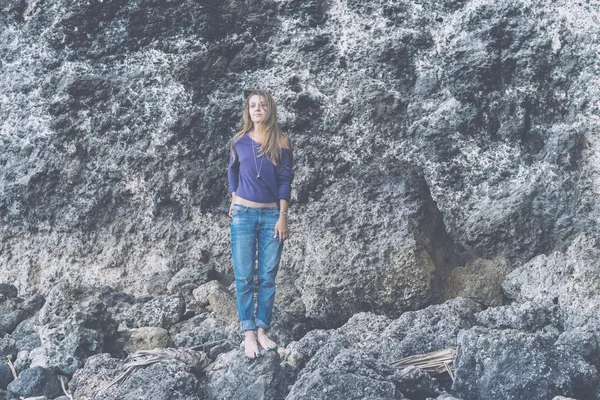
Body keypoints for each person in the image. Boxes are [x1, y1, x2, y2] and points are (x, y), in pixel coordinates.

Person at [227, 90, 295, 359]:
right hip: (242, 215)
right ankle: (248, 334)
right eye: (253, 105)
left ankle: (263, 330)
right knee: (244, 277)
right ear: (248, 110)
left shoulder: (282, 142)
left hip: (271, 218)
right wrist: (233, 196)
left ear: (270, 109)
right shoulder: (239, 141)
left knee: (267, 276)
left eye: (262, 105)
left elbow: (285, 180)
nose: (257, 109)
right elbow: (232, 169)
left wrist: (283, 216)